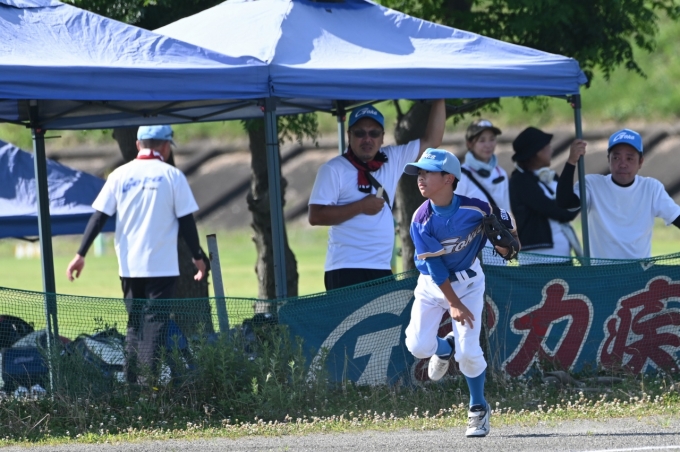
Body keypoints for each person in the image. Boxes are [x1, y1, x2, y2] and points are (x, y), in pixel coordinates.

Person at [66, 125, 208, 384]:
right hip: (162, 266)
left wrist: (80, 253)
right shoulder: (172, 175)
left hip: (129, 266)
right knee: (155, 324)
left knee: (135, 323)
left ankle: (132, 384)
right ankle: (147, 386)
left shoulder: (119, 175)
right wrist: (197, 256)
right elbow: (186, 221)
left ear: (138, 144)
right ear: (165, 146)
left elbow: (99, 216)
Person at [402, 149, 520, 437]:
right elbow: (436, 268)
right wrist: (452, 303)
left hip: (468, 285)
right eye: (419, 172)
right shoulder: (421, 219)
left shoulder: (476, 208)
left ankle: (478, 407)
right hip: (433, 286)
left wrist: (508, 242)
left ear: (448, 178)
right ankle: (445, 348)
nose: (420, 178)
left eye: (428, 172)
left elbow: (509, 226)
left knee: (468, 352)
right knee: (418, 346)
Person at [308, 100, 446, 290]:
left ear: (382, 138)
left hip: (381, 268)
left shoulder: (392, 158)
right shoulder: (333, 169)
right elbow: (315, 216)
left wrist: (440, 98)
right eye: (360, 133)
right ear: (349, 135)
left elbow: (432, 141)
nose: (367, 139)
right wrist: (361, 206)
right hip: (345, 268)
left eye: (374, 133)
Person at [556, 128, 680, 260]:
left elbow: (676, 217)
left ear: (641, 162)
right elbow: (565, 202)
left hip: (639, 269)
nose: (622, 164)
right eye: (616, 157)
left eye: (629, 158)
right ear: (608, 160)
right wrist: (571, 162)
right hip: (602, 270)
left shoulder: (651, 188)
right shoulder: (592, 185)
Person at [509, 127, 581, 265]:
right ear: (537, 152)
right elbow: (560, 211)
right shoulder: (520, 182)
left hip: (563, 257)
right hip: (538, 262)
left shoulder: (550, 177)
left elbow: (568, 202)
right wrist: (571, 162)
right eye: (547, 147)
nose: (551, 150)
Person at [456, 119, 510, 265]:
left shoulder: (501, 173)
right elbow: (456, 215)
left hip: (498, 249)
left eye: (492, 139)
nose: (488, 145)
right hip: (471, 251)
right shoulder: (461, 175)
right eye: (482, 140)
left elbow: (506, 212)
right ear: (469, 144)